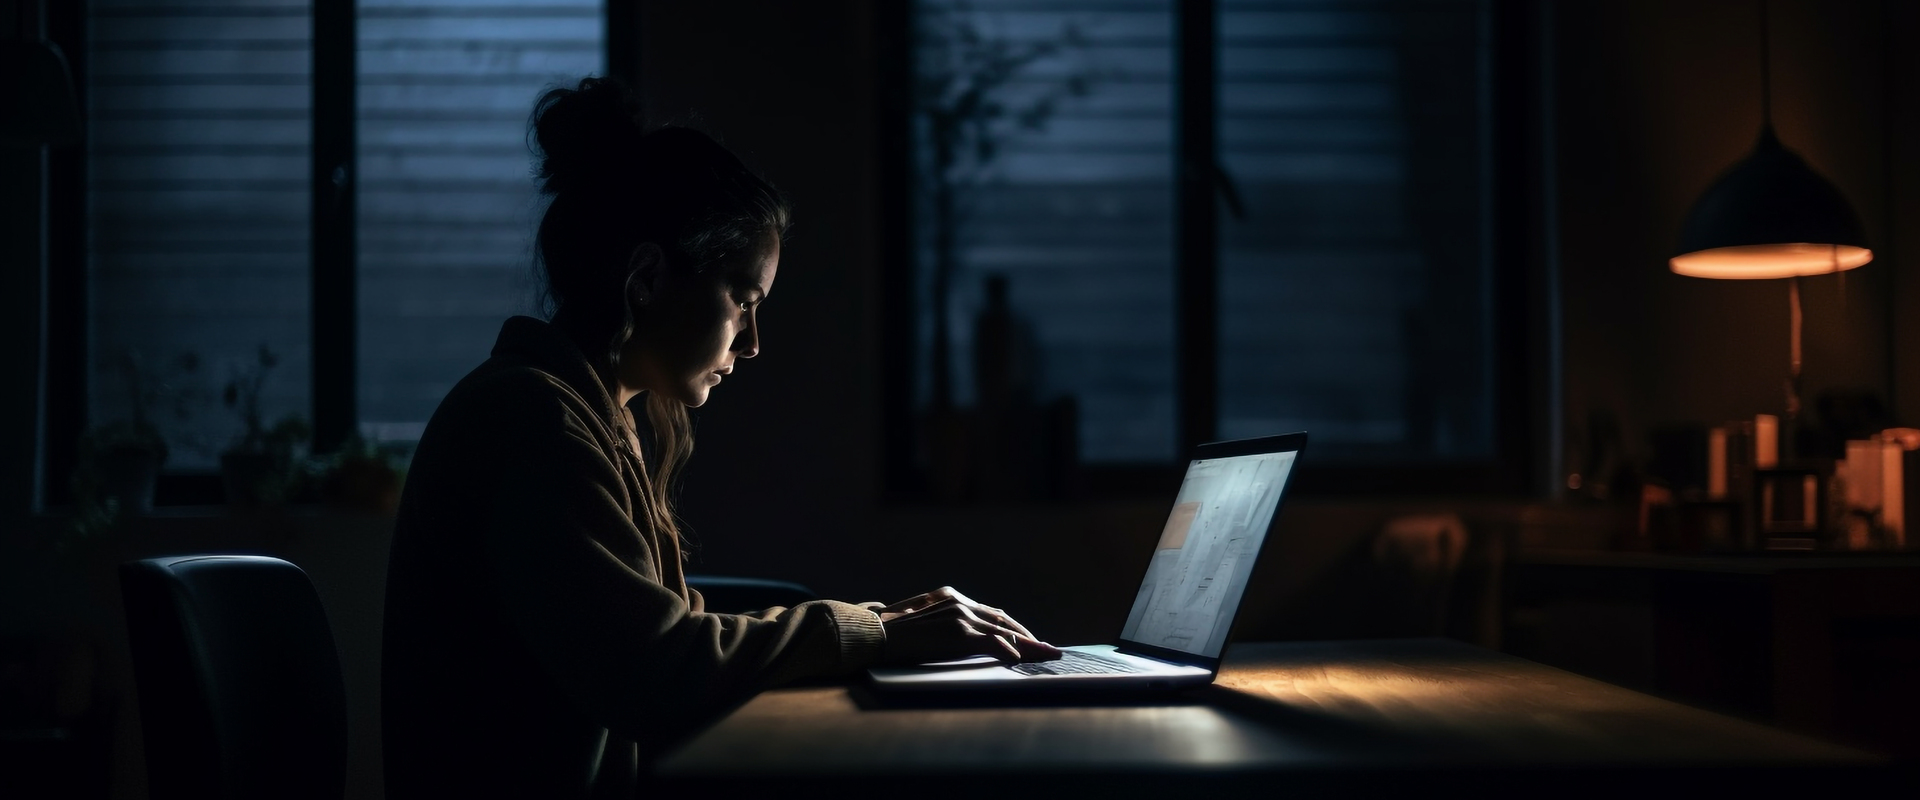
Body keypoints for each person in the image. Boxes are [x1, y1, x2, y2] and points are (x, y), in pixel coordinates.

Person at [380, 77, 1059, 799]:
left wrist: (881, 623)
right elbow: (652, 669)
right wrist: (869, 634)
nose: (755, 341)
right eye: (743, 300)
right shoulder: (530, 423)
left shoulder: (584, 414)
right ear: (645, 279)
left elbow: (655, 632)